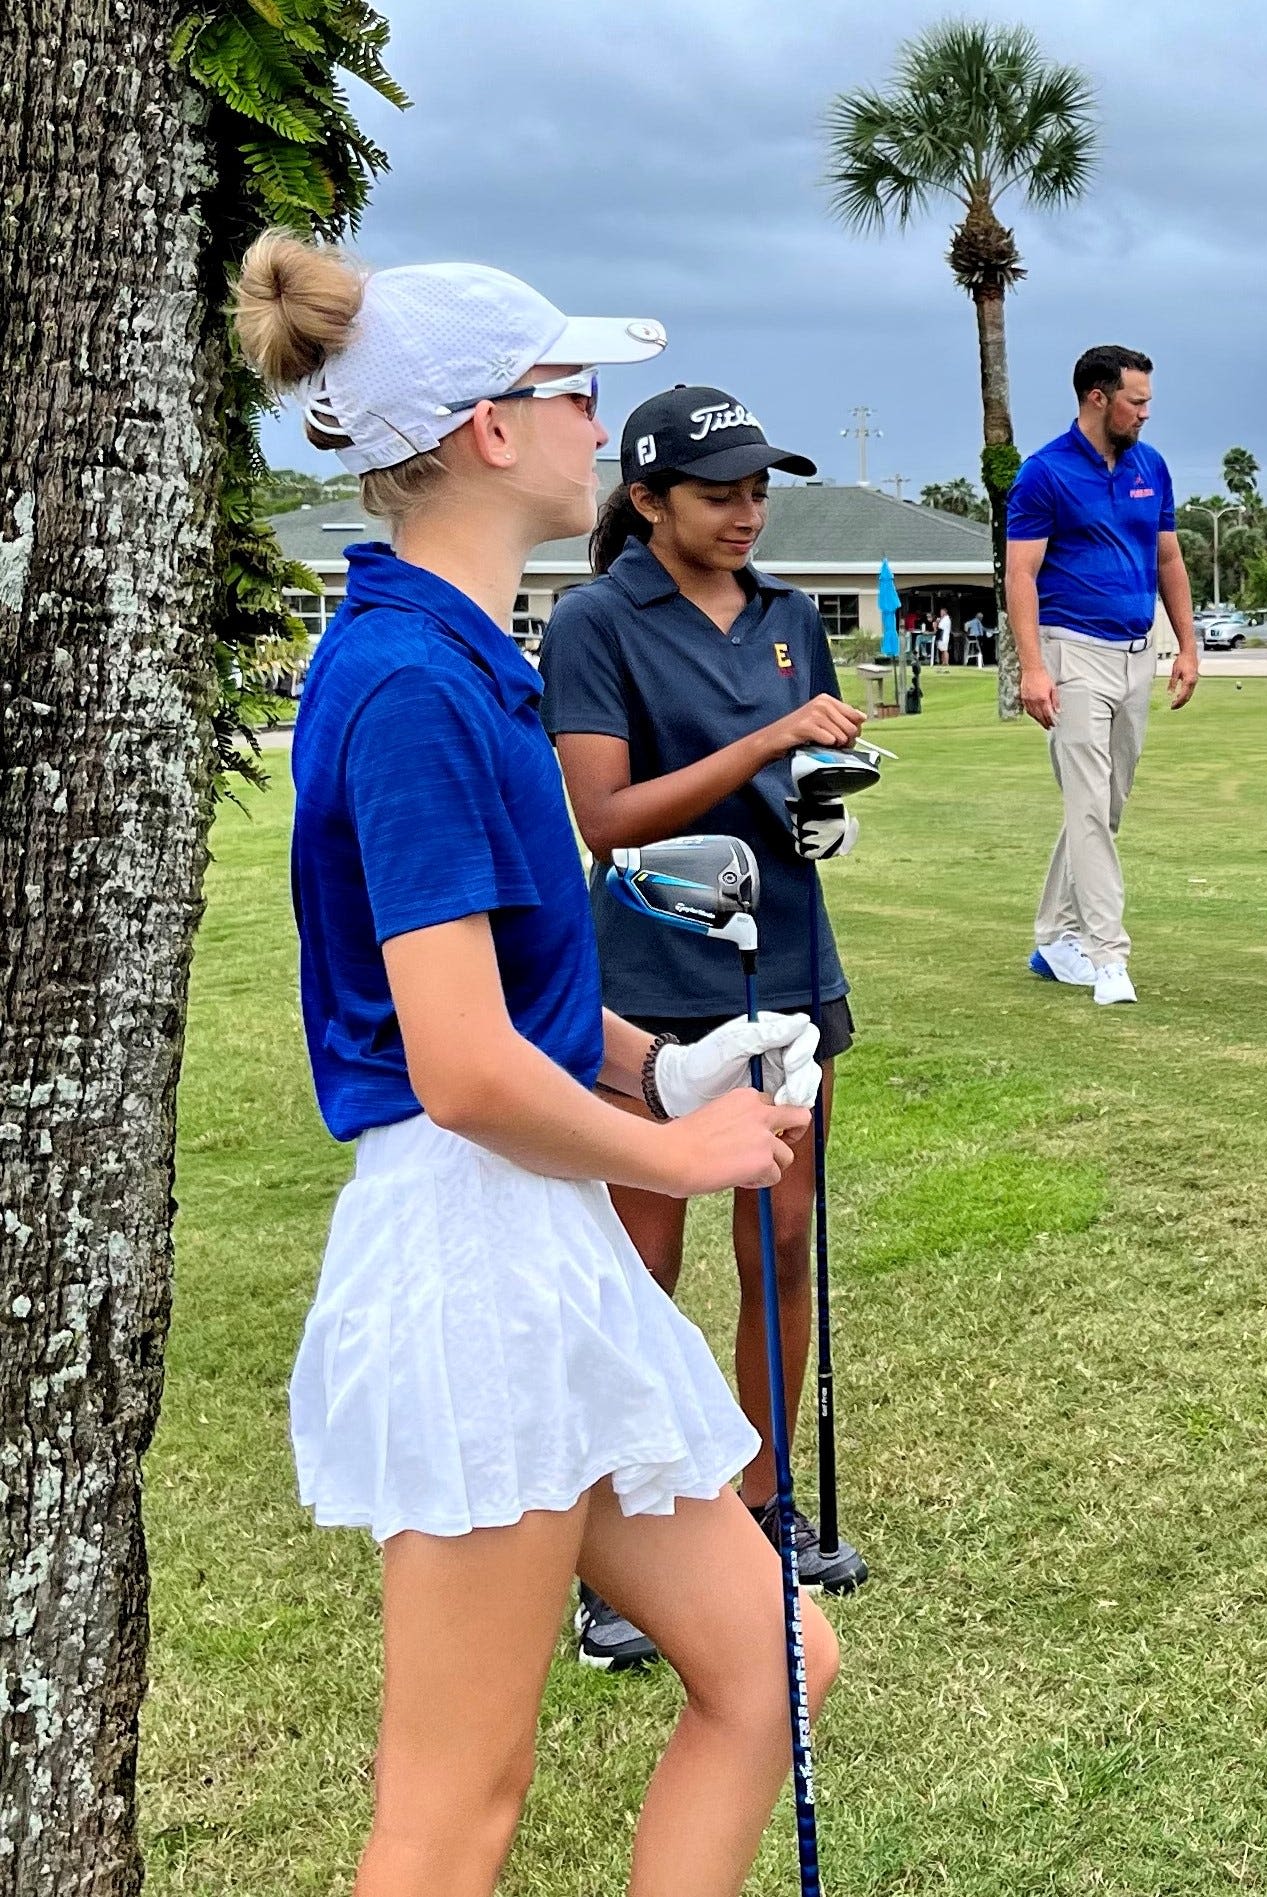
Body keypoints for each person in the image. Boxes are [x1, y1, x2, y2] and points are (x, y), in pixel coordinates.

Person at [239, 233, 838, 1894]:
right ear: (489, 429)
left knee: (777, 1664)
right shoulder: (410, 682)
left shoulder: (468, 659)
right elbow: (459, 1064)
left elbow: (528, 1013)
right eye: (580, 392)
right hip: (472, 1258)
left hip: (531, 1248)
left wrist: (670, 1068)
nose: (603, 427)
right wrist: (678, 1161)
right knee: (450, 1819)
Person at [537, 386, 870, 1670]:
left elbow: (798, 784)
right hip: (649, 980)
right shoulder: (595, 621)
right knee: (643, 1264)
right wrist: (770, 737)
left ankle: (757, 1510)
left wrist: (820, 794)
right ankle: (623, 1547)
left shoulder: (790, 616)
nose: (747, 513)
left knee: (782, 1244)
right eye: (719, 492)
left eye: (757, 490)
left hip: (787, 954)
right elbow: (607, 820)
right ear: (649, 500)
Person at [1007, 344, 1200, 1006]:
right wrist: (1033, 668)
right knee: (1088, 801)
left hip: (1137, 653)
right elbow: (1021, 575)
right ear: (1098, 397)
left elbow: (1169, 559)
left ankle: (1053, 937)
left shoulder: (1152, 467)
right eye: (1136, 400)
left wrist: (1188, 645)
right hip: (1072, 653)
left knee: (1106, 805)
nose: (1146, 412)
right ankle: (1106, 955)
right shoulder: (1044, 474)